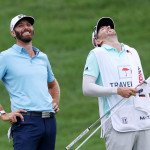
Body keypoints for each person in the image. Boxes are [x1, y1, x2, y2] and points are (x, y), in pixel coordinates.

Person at [82, 17, 150, 150]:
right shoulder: (97, 53)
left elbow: (140, 83)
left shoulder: (132, 52)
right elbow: (87, 88)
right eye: (102, 28)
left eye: (109, 26)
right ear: (97, 40)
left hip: (143, 119)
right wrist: (117, 90)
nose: (108, 27)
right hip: (117, 121)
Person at [0, 14, 60, 150]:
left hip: (49, 122)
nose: (26, 28)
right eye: (20, 26)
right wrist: (3, 114)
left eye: (28, 25)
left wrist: (55, 101)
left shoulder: (43, 57)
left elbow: (52, 84)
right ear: (12, 33)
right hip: (26, 122)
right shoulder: (5, 57)